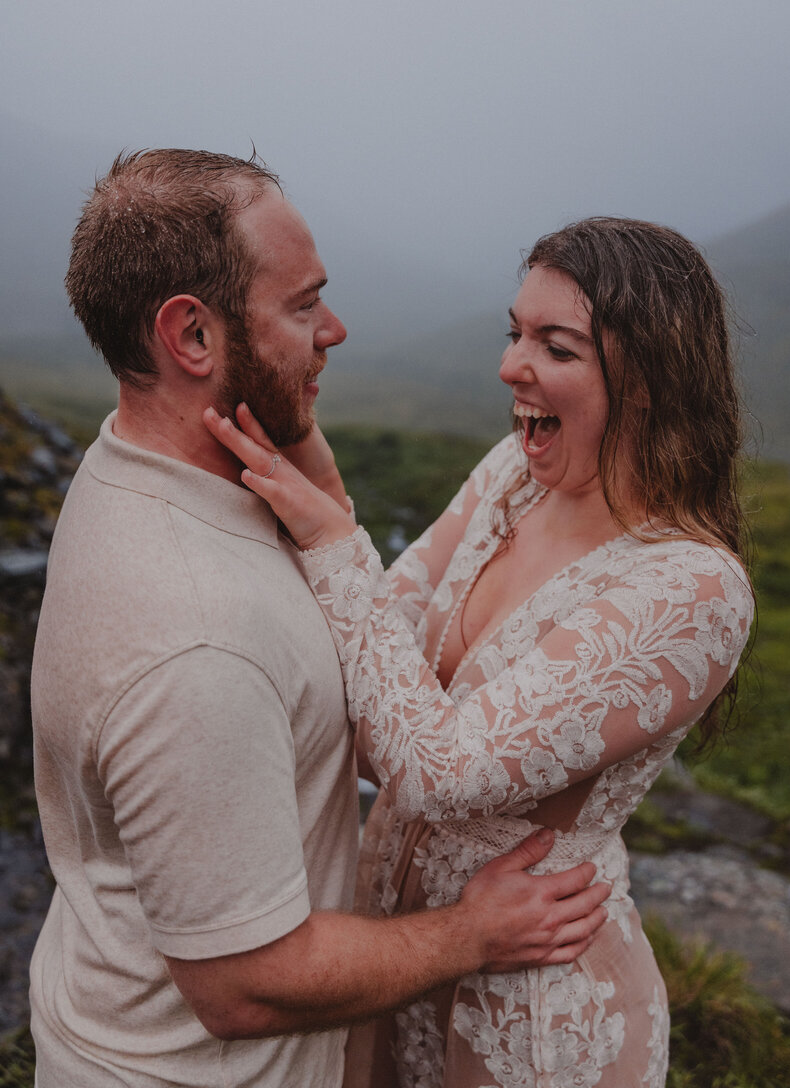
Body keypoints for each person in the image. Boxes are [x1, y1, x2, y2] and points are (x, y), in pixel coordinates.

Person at [28, 149, 610, 1088]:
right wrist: (475, 932)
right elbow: (243, 983)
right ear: (193, 338)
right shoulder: (197, 635)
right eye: (303, 307)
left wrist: (294, 419)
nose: (334, 329)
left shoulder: (144, 464)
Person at [204, 215, 755, 1088]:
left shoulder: (692, 590)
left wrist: (335, 541)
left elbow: (438, 773)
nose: (510, 367)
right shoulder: (511, 471)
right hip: (398, 959)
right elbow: (384, 628)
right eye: (514, 332)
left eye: (556, 347)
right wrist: (320, 480)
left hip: (534, 1008)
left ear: (647, 382)